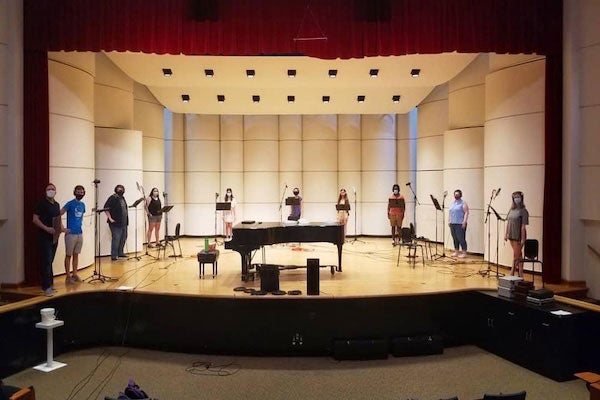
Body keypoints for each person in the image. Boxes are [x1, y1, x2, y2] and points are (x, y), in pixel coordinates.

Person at [32, 183, 61, 296]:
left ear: (55, 191)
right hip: (44, 237)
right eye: (49, 189)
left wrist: (62, 230)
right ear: (45, 191)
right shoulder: (41, 203)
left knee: (50, 261)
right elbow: (35, 219)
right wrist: (46, 228)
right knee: (46, 262)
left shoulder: (57, 205)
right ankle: (46, 287)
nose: (51, 191)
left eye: (53, 189)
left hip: (54, 237)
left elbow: (58, 219)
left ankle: (50, 284)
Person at [60, 185, 86, 284]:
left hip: (79, 233)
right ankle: (68, 276)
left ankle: (75, 274)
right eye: (78, 192)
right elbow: (59, 214)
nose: (80, 193)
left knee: (76, 255)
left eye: (82, 192)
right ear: (75, 192)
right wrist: (62, 229)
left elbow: (81, 217)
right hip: (70, 234)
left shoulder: (83, 205)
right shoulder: (70, 204)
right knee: (68, 255)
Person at [504, 191, 529, 277]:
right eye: (514, 197)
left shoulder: (523, 211)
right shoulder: (511, 210)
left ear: (521, 198)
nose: (516, 199)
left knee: (516, 255)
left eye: (518, 197)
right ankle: (521, 274)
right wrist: (506, 234)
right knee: (519, 255)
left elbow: (523, 227)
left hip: (519, 235)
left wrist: (522, 239)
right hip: (511, 234)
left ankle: (511, 273)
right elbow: (508, 222)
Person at [104, 184, 129, 261]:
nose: (120, 190)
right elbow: (106, 208)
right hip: (115, 223)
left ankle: (120, 253)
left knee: (123, 238)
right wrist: (110, 218)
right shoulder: (112, 198)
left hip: (124, 223)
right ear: (116, 190)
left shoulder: (122, 198)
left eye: (122, 189)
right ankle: (114, 255)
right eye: (119, 189)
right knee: (116, 239)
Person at [448, 189, 469, 258]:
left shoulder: (463, 203)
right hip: (452, 223)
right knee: (455, 238)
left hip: (460, 223)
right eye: (455, 194)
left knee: (461, 238)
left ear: (460, 195)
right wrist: (449, 220)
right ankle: (456, 251)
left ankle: (464, 252)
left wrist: (464, 221)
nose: (456, 195)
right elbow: (450, 212)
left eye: (457, 194)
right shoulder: (453, 203)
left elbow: (466, 212)